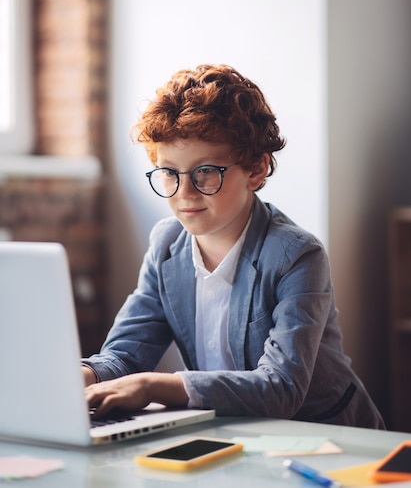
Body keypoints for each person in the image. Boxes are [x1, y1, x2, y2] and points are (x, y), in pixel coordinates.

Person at [82, 64, 385, 429]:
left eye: (206, 171)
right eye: (169, 173)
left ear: (256, 170)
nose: (185, 193)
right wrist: (85, 375)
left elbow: (281, 388)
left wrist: (155, 385)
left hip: (324, 438)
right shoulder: (166, 246)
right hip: (231, 430)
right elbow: (125, 355)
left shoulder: (297, 255)